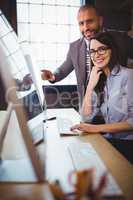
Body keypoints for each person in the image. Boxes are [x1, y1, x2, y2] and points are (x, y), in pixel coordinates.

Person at [41, 4, 133, 109]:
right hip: (88, 109)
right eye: (81, 23)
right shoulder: (74, 47)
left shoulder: (120, 39)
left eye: (90, 21)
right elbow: (63, 69)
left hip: (117, 109)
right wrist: (52, 76)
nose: (85, 28)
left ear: (100, 20)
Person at [71, 32, 133, 163]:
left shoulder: (128, 76)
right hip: (111, 140)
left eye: (102, 49)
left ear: (112, 50)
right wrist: (89, 86)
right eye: (92, 51)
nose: (96, 55)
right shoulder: (99, 79)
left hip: (127, 145)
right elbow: (85, 117)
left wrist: (96, 129)